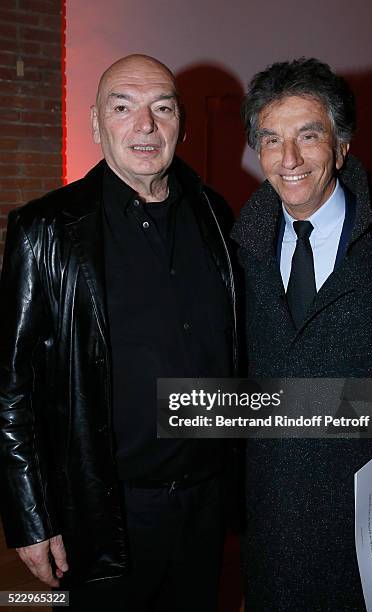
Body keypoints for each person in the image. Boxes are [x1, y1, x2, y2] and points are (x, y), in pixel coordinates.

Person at [0, 54, 238, 612]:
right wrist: (30, 516)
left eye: (162, 107)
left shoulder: (217, 217)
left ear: (180, 121)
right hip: (104, 514)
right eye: (123, 107)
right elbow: (10, 385)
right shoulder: (47, 231)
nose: (145, 125)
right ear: (95, 123)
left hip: (207, 507)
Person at [232, 58, 372, 611]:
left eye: (308, 136)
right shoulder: (236, 253)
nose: (289, 160)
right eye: (271, 140)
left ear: (342, 146)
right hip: (272, 532)